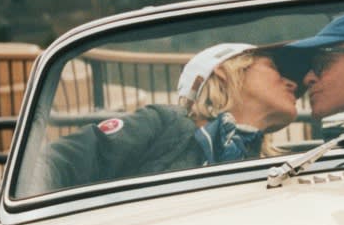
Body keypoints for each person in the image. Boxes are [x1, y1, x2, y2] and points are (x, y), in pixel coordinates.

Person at [43, 42, 296, 192]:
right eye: (274, 68)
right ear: (223, 71)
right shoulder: (165, 124)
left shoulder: (274, 166)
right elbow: (55, 163)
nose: (292, 82)